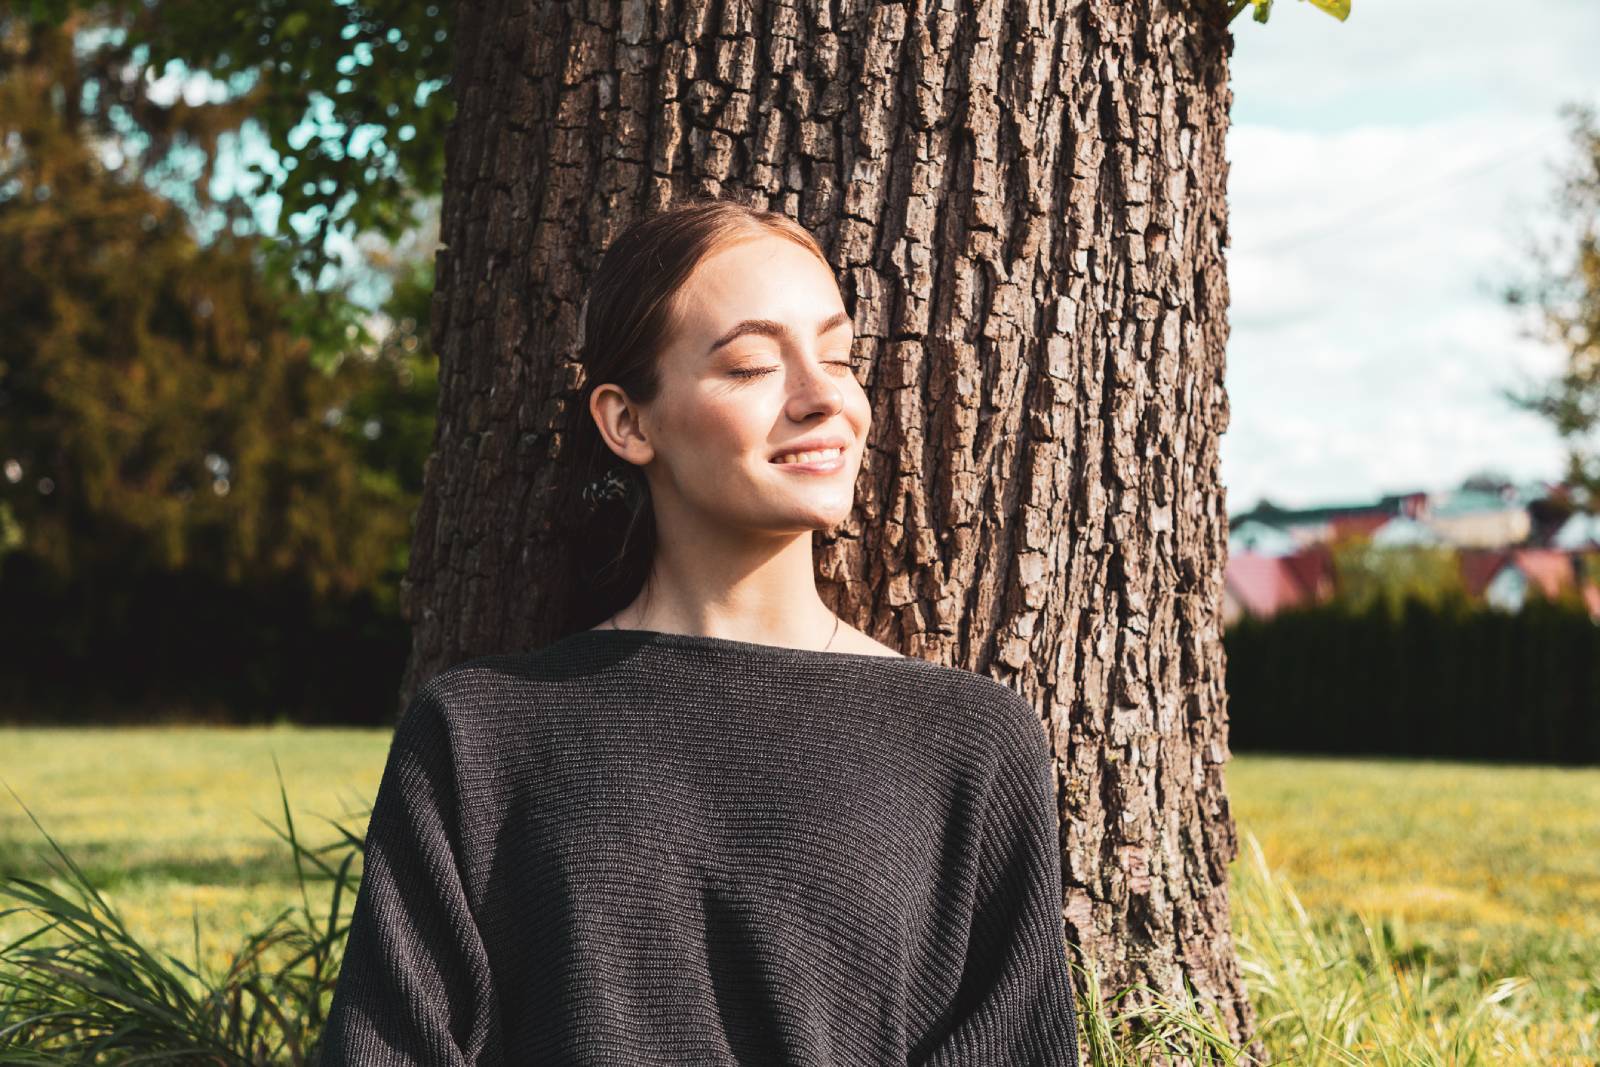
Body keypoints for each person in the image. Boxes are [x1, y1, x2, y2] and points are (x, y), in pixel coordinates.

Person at [318, 197, 1081, 1065]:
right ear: (627, 422)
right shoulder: (480, 734)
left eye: (837, 355)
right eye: (754, 365)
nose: (824, 395)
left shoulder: (968, 745)